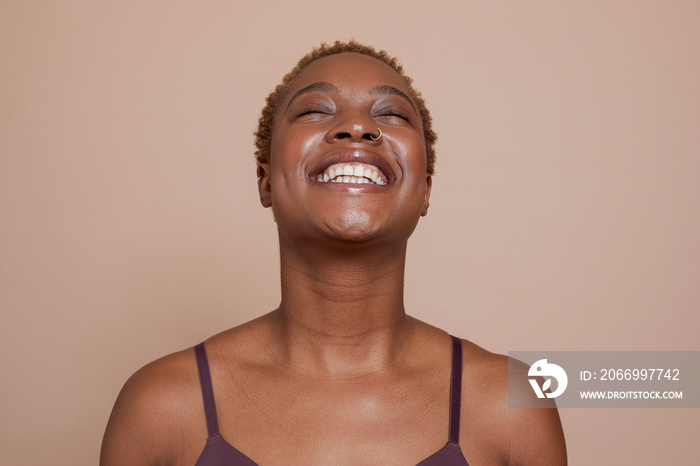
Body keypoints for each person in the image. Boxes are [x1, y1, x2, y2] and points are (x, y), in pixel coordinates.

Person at [101, 41, 567, 465]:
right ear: (264, 179)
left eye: (392, 115)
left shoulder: (512, 407)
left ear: (425, 190)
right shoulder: (162, 407)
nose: (358, 127)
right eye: (314, 111)